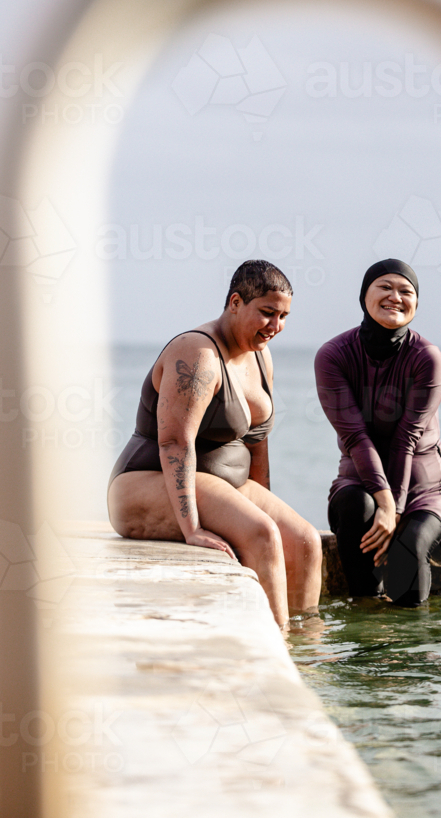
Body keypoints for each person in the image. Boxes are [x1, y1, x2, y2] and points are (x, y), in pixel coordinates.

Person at [108, 259, 322, 631]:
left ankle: (308, 648)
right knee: (262, 535)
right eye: (267, 313)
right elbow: (175, 442)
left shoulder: (260, 354)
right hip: (144, 483)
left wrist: (259, 499)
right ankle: (280, 647)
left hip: (221, 483)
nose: (275, 326)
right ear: (236, 303)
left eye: (284, 316)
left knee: (305, 542)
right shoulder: (198, 353)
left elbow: (258, 442)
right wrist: (191, 528)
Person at [314, 259, 441, 607]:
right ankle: (367, 623)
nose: (396, 297)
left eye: (406, 291)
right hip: (359, 480)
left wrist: (393, 512)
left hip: (425, 488)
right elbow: (355, 438)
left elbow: (406, 437)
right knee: (355, 506)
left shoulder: (426, 357)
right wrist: (382, 502)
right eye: (385, 287)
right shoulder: (333, 355)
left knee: (410, 545)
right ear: (364, 295)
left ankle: (408, 647)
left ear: (416, 305)